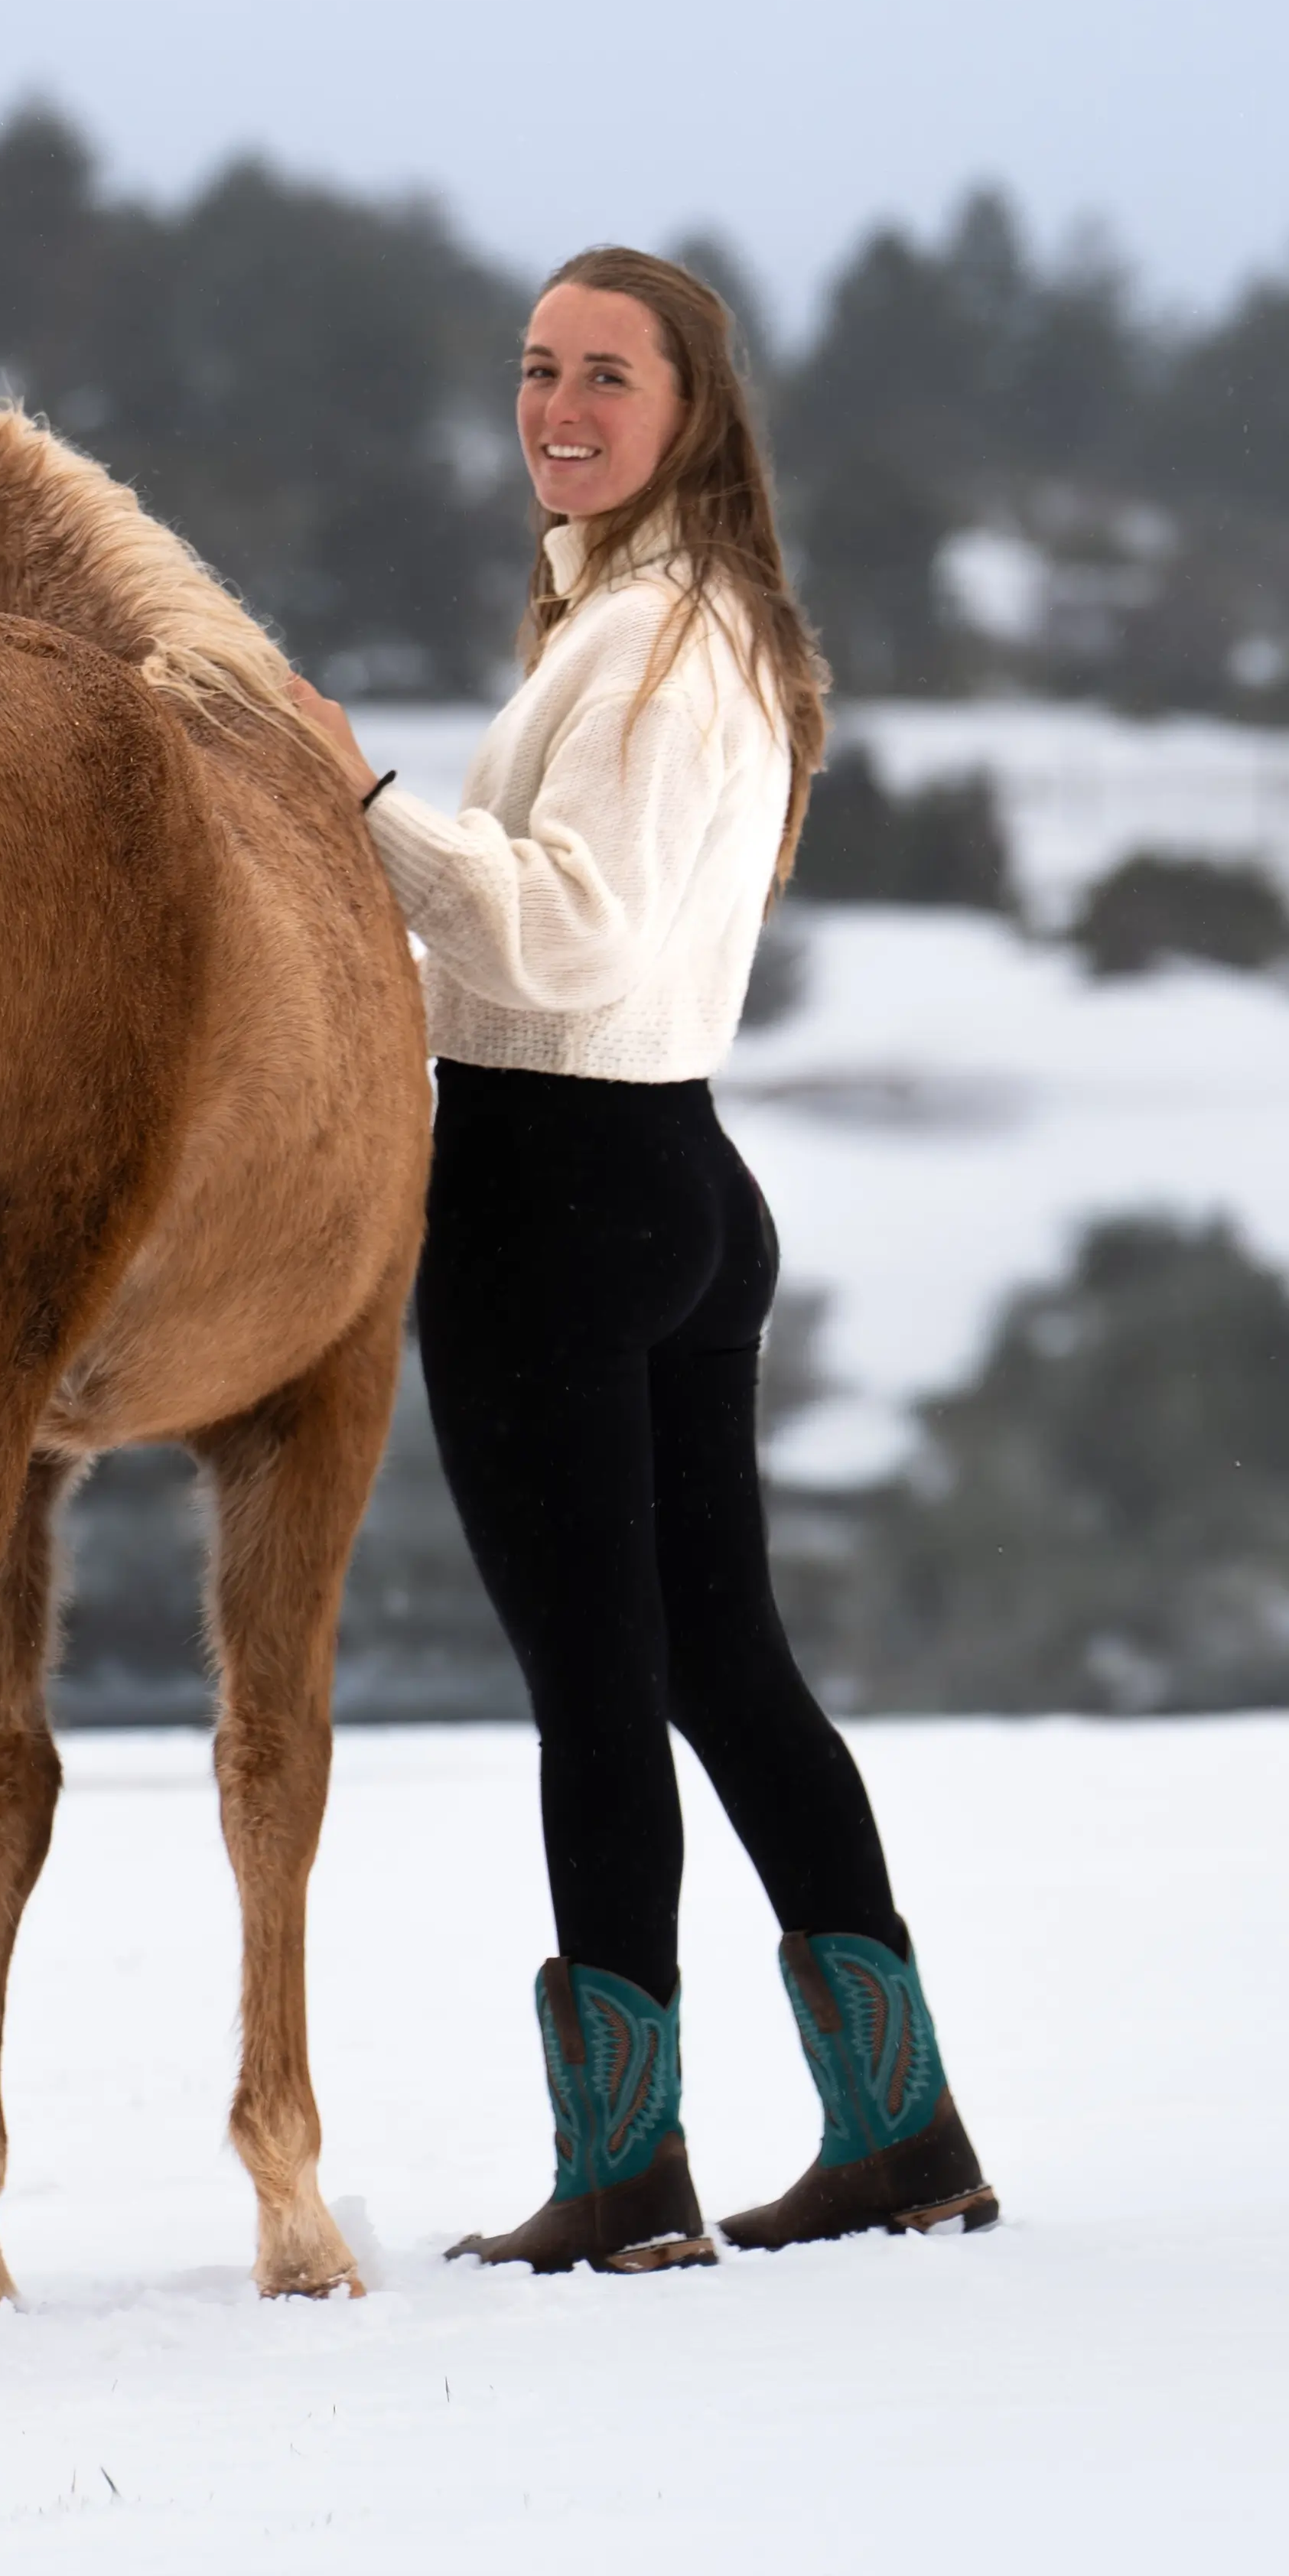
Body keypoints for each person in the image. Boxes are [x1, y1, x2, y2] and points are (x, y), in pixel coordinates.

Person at [288, 243, 998, 2274]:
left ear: (691, 410)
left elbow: (568, 933)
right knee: (719, 1675)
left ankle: (626, 2174)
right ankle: (903, 2130)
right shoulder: (680, 627)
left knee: (604, 1697)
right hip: (670, 1179)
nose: (560, 404)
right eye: (536, 369)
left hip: (553, 1196)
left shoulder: (656, 646)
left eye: (608, 372)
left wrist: (360, 801)